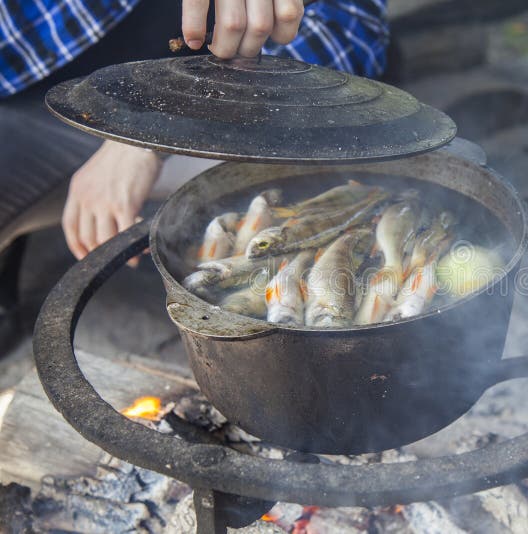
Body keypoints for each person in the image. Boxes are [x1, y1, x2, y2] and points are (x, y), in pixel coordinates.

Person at [0, 0, 389, 351]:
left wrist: (150, 131)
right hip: (38, 100)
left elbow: (348, 32)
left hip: (233, 113)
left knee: (318, 166)